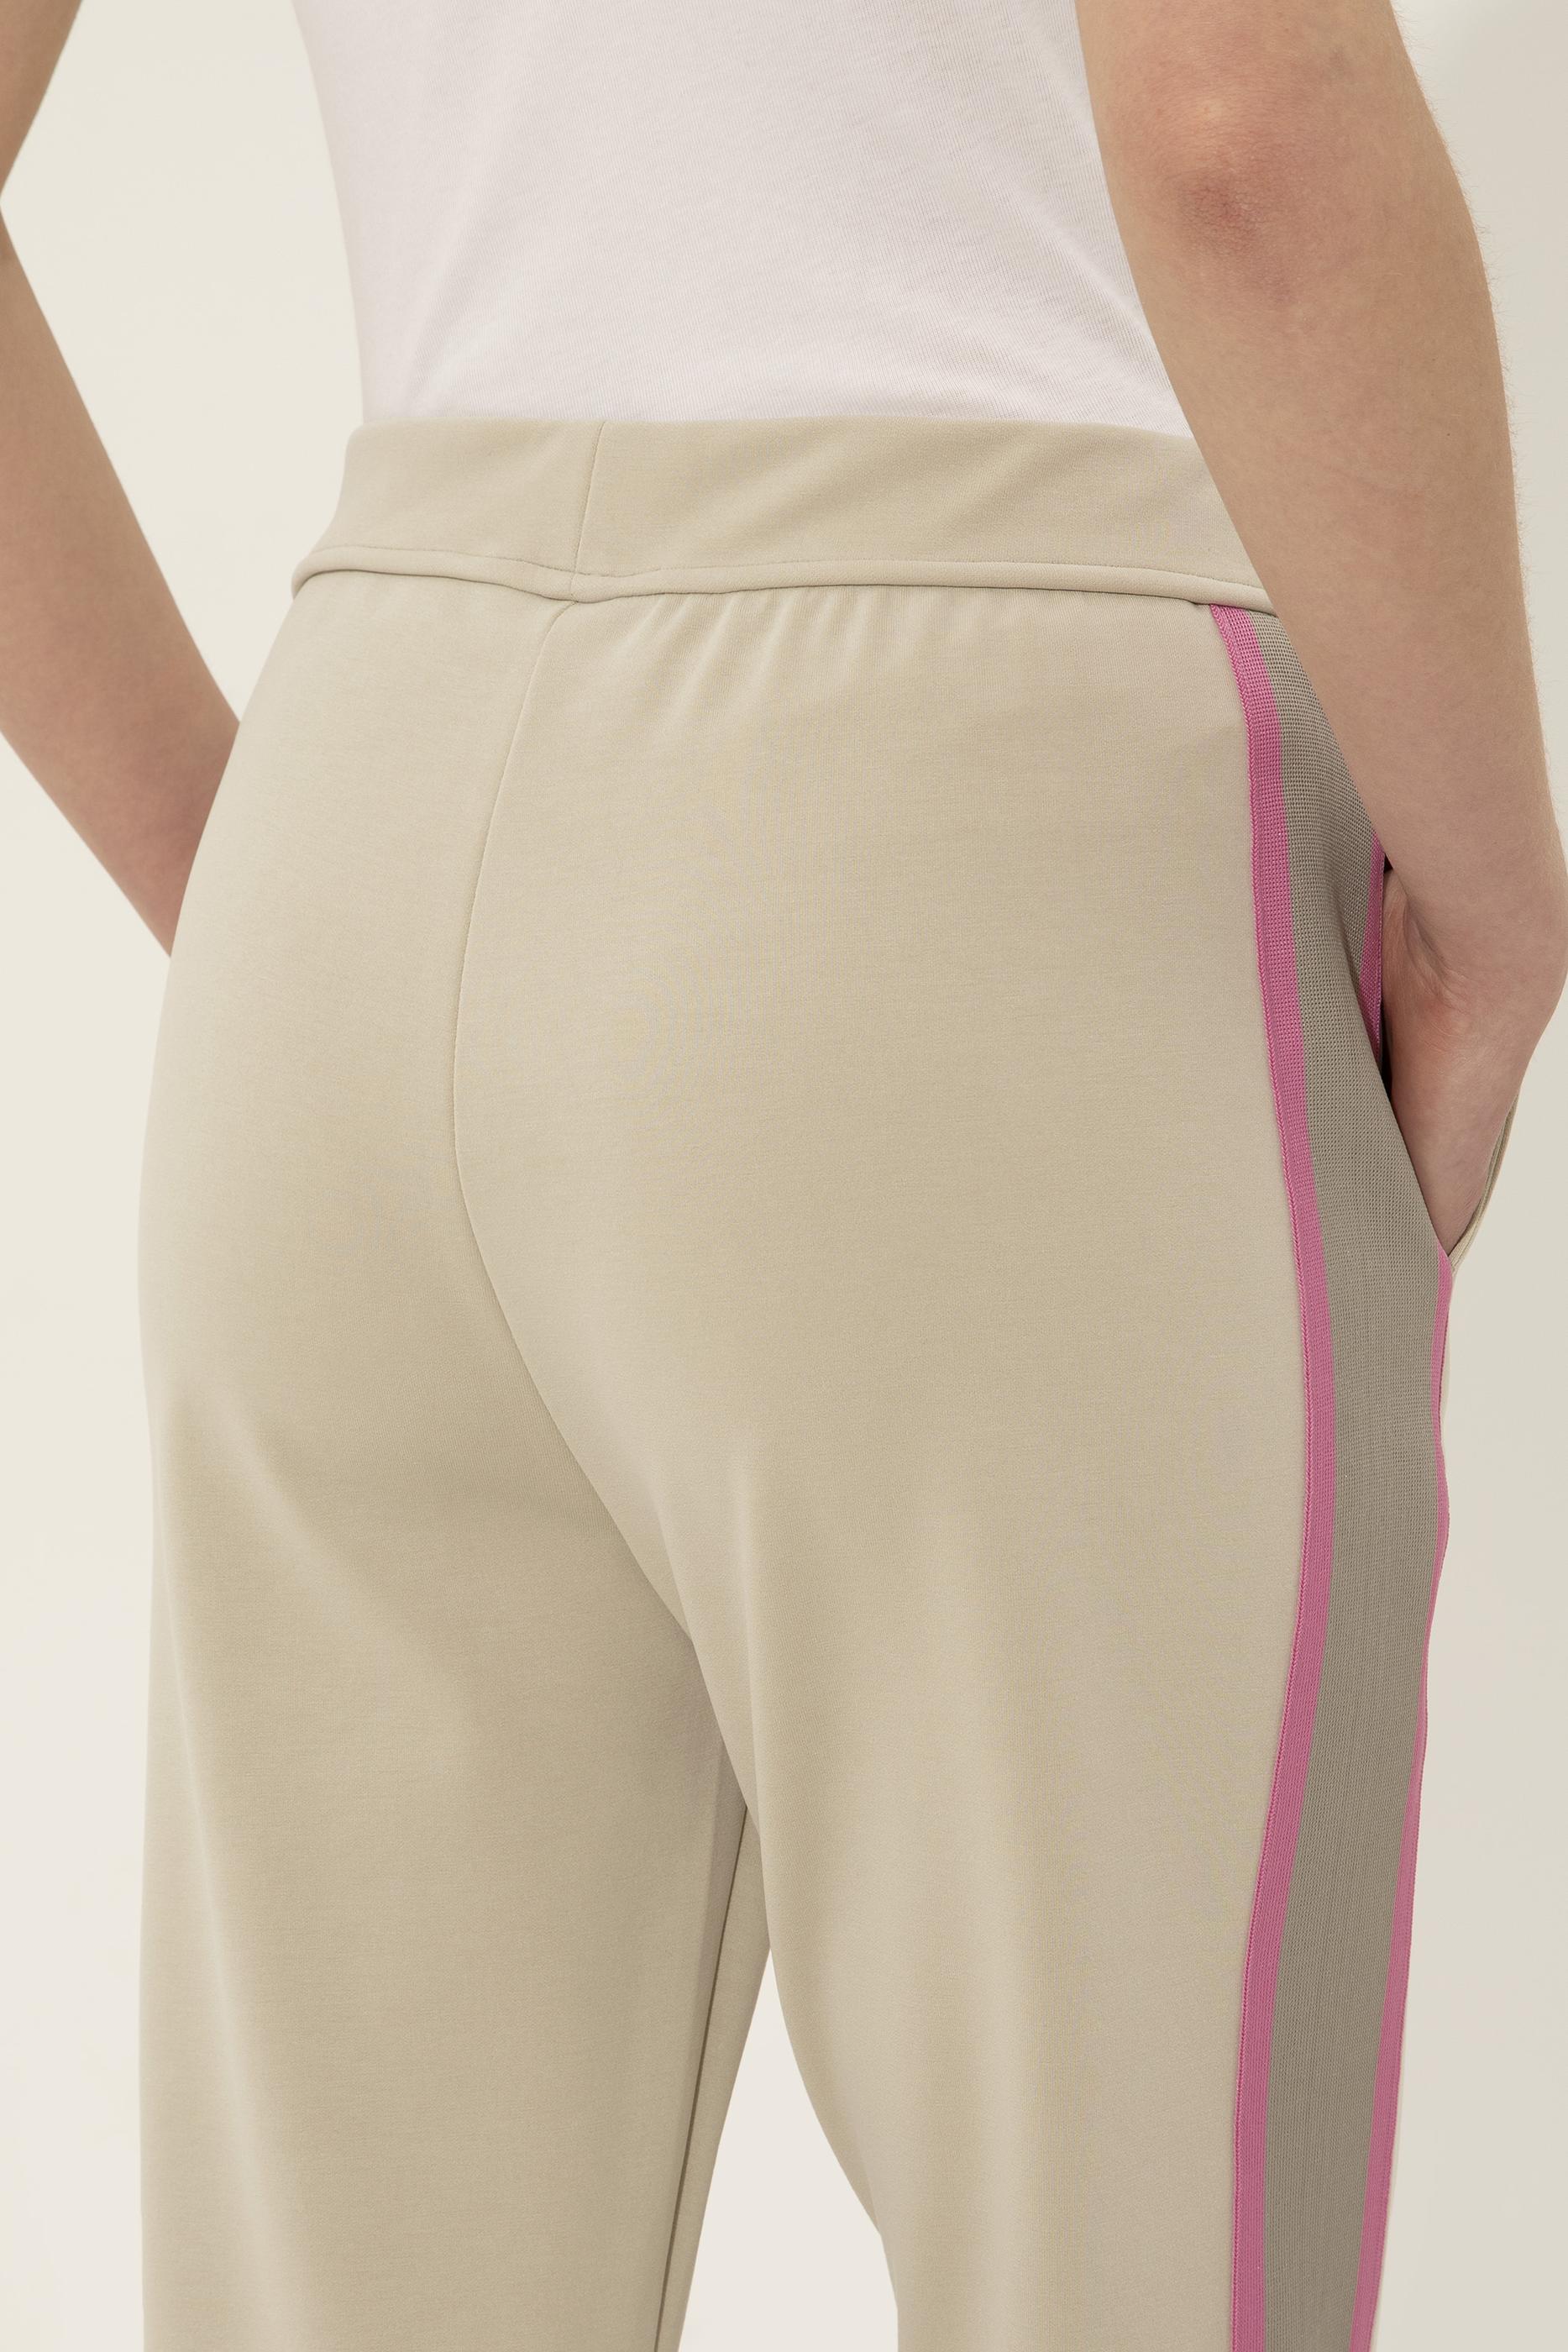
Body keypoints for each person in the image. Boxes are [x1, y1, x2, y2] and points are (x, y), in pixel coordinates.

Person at [3, 3, 1563, 2346]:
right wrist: (1498, 906)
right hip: (1019, 803)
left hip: (367, 793)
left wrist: (244, 881)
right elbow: (1236, 114)